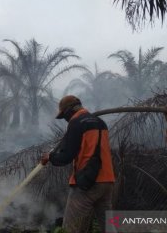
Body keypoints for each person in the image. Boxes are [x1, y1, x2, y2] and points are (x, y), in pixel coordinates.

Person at [41, 95, 115, 233]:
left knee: (71, 228)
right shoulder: (100, 122)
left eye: (64, 116)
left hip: (87, 182)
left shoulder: (76, 123)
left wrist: (50, 157)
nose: (65, 119)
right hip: (107, 181)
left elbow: (66, 157)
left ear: (69, 111)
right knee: (109, 227)